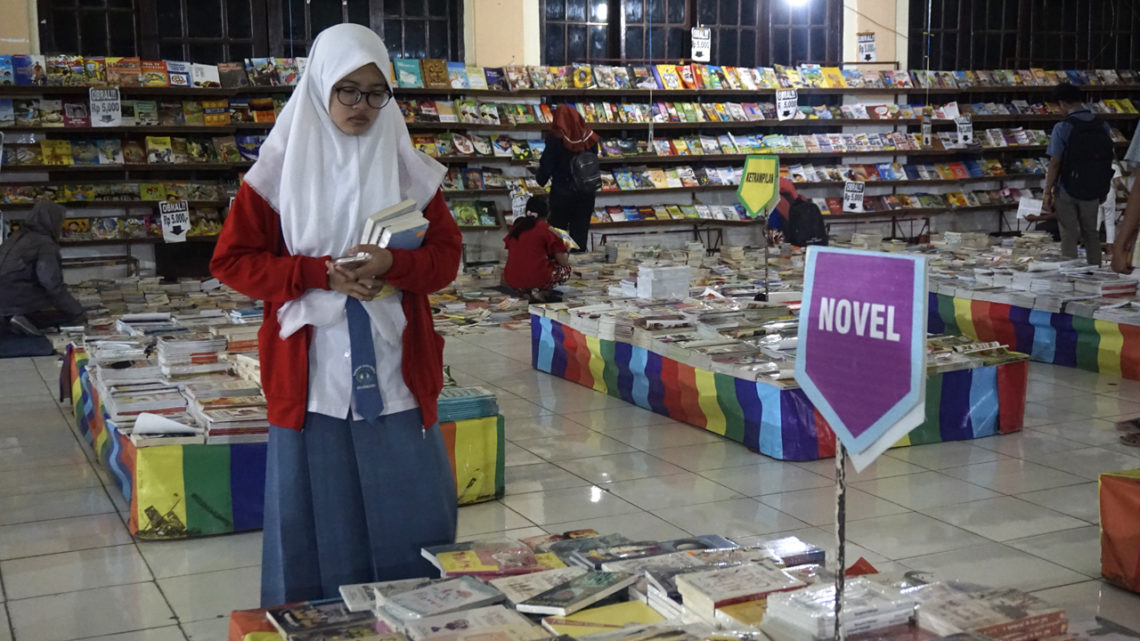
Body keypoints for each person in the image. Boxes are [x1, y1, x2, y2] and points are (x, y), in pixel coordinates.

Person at [209, 24, 461, 606]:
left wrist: (393, 263)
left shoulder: (409, 171)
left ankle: (414, 617)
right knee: (316, 521)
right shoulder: (274, 174)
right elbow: (233, 262)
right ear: (320, 87)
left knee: (411, 512)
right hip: (312, 378)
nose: (362, 106)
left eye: (377, 92)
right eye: (347, 90)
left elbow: (445, 260)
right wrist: (315, 273)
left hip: (396, 373)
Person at [1043, 82, 1114, 265]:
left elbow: (1055, 163)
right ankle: (1095, 269)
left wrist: (1047, 192)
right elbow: (1106, 158)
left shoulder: (1063, 127)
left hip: (1067, 188)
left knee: (1069, 232)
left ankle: (1070, 273)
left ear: (1063, 103)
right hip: (1094, 188)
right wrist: (1103, 188)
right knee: (1091, 232)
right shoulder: (1102, 124)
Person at [0, 199, 86, 335]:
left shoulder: (16, 237)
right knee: (69, 314)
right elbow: (52, 284)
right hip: (19, 303)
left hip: (4, 302)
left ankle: (18, 320)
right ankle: (26, 320)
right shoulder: (44, 244)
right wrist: (77, 311)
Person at [535, 104, 599, 251]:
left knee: (558, 234)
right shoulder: (590, 137)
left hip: (562, 193)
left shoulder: (556, 139)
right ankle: (579, 266)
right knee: (580, 232)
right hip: (586, 194)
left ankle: (560, 265)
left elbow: (547, 165)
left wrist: (540, 179)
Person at [503, 195, 571, 303]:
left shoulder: (516, 227)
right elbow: (563, 261)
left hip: (512, 279)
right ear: (548, 213)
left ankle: (526, 293)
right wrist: (566, 248)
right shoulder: (547, 229)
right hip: (537, 278)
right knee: (565, 269)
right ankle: (541, 292)